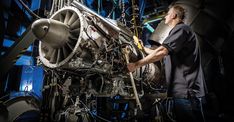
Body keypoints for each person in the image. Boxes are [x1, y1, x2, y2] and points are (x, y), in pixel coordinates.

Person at [127, 5, 206, 122]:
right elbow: (161, 51)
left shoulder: (182, 29)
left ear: (174, 15)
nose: (165, 16)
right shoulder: (183, 31)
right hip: (188, 92)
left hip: (186, 92)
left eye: (168, 13)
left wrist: (136, 65)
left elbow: (162, 51)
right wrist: (143, 48)